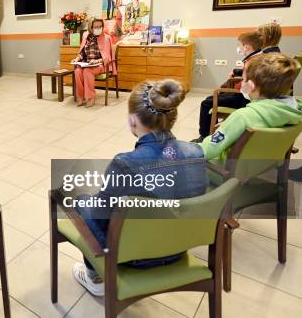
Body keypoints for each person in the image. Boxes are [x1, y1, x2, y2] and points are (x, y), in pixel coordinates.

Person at [71, 80, 208, 296]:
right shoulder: (197, 152)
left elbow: (99, 215)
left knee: (81, 202)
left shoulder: (124, 164)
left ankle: (95, 278)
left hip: (134, 258)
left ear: (133, 121)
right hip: (179, 249)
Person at [201, 53, 301, 160]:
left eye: (243, 80)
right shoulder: (295, 112)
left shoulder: (242, 117)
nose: (242, 83)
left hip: (223, 170)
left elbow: (207, 151)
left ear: (251, 86)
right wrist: (232, 125)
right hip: (264, 165)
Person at [191, 31, 263, 143]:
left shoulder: (252, 62)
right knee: (214, 97)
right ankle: (213, 130)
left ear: (247, 47)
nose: (239, 48)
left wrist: (238, 86)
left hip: (243, 98)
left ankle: (204, 136)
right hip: (249, 96)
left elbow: (248, 88)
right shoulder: (259, 57)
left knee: (206, 103)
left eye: (240, 45)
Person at [71, 18, 115, 108]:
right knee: (77, 71)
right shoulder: (86, 36)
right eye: (96, 27)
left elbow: (107, 58)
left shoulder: (107, 38)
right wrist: (76, 58)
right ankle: (81, 96)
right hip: (86, 63)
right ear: (91, 27)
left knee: (87, 71)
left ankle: (90, 97)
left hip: (100, 65)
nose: (98, 28)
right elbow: (82, 52)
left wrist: (96, 61)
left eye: (100, 26)